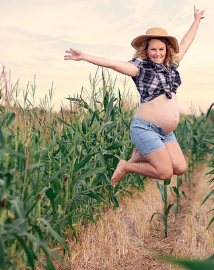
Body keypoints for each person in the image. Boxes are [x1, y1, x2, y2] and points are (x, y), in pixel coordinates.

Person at [64, 5, 205, 187]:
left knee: (180, 167)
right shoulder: (139, 68)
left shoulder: (171, 65)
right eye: (153, 49)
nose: (157, 53)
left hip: (166, 132)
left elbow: (186, 42)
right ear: (146, 50)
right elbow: (113, 64)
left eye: (161, 49)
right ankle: (126, 166)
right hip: (145, 128)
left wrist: (195, 21)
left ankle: (139, 155)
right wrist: (85, 56)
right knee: (165, 172)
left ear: (167, 49)